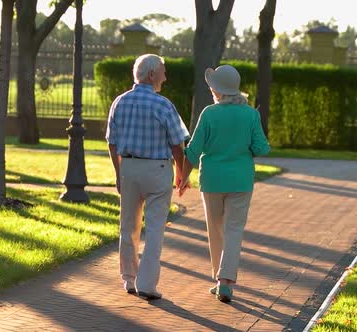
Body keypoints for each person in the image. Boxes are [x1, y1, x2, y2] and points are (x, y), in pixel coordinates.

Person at [178, 65, 270, 303]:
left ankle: (220, 280)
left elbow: (193, 150)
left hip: (212, 180)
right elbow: (262, 148)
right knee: (234, 230)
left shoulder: (209, 113)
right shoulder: (250, 114)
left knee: (215, 230)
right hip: (240, 180)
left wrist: (183, 177)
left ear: (217, 91)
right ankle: (225, 280)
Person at [105, 54, 190, 300]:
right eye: (163, 70)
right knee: (154, 229)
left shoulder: (119, 102)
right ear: (152, 75)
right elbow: (177, 145)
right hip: (157, 170)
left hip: (129, 168)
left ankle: (129, 280)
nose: (166, 76)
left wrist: (119, 173)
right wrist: (181, 174)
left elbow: (112, 143)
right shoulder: (163, 104)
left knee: (128, 227)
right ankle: (147, 284)